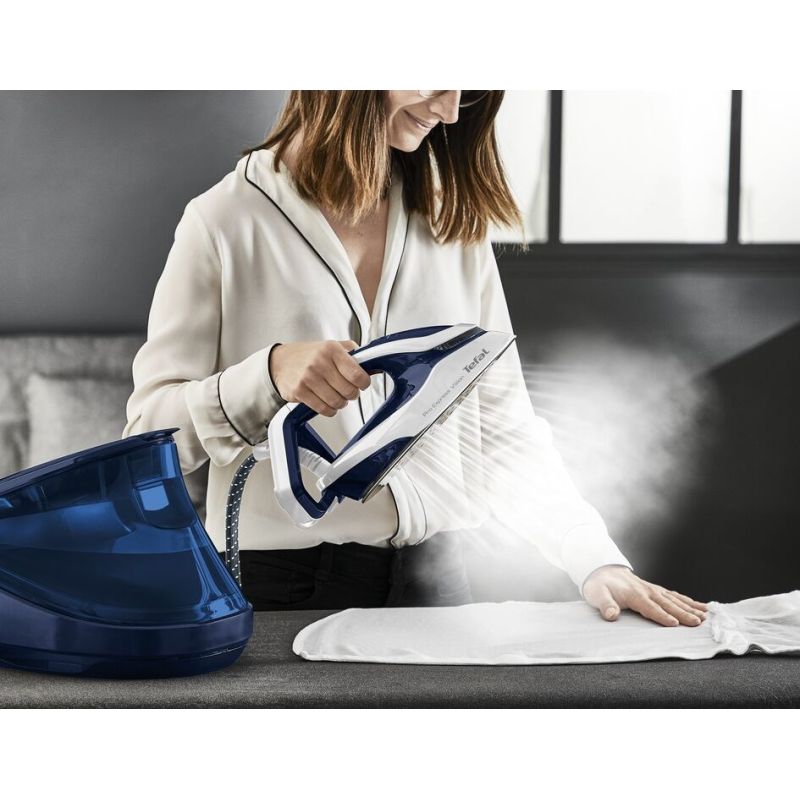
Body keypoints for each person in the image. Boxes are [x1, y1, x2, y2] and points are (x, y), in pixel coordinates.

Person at [123, 90, 708, 626]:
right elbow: (149, 438)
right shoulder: (224, 221)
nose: (450, 110)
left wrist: (594, 559)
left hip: (440, 585)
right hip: (281, 587)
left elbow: (503, 427)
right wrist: (267, 376)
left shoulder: (454, 223)